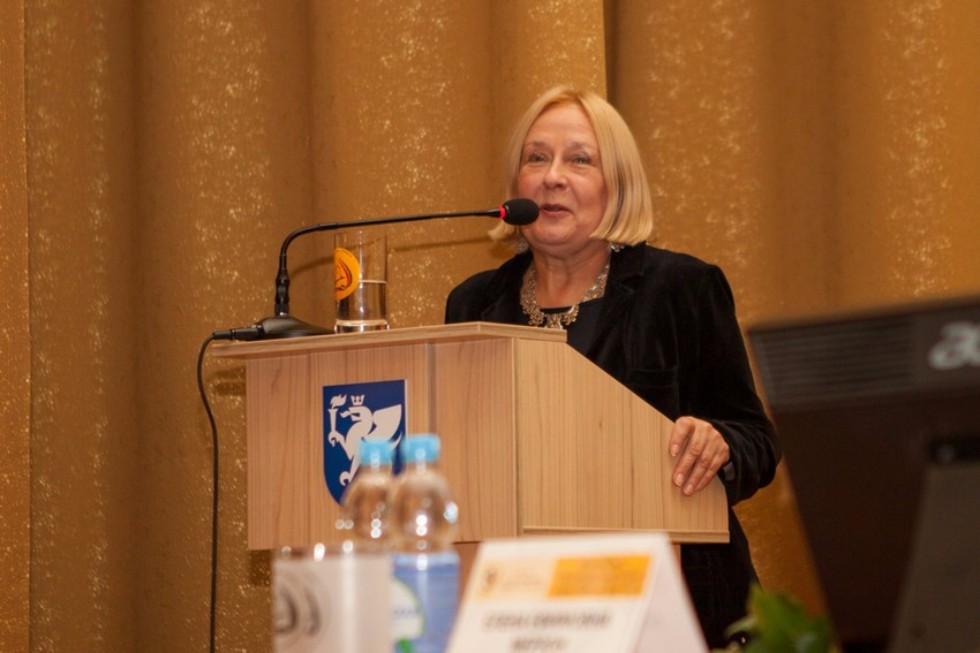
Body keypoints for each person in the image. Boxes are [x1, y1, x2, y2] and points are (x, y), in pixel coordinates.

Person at [444, 86, 781, 648]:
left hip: (674, 602)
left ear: (618, 186)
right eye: (536, 158)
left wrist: (719, 442)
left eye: (580, 159)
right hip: (516, 605)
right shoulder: (474, 304)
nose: (553, 177)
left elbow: (757, 439)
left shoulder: (680, 289)